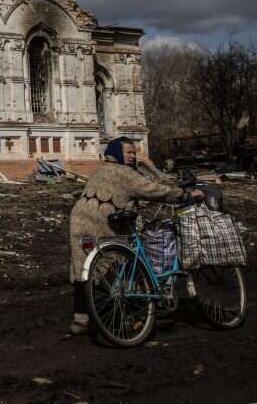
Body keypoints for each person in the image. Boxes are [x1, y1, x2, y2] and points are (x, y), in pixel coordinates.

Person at [67, 136, 203, 335]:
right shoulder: (126, 173)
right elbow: (152, 190)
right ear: (116, 153)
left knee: (83, 268)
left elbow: (126, 195)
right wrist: (186, 195)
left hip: (79, 221)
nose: (132, 156)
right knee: (118, 263)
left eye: (133, 152)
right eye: (128, 152)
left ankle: (81, 320)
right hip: (103, 222)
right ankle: (127, 315)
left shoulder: (101, 170)